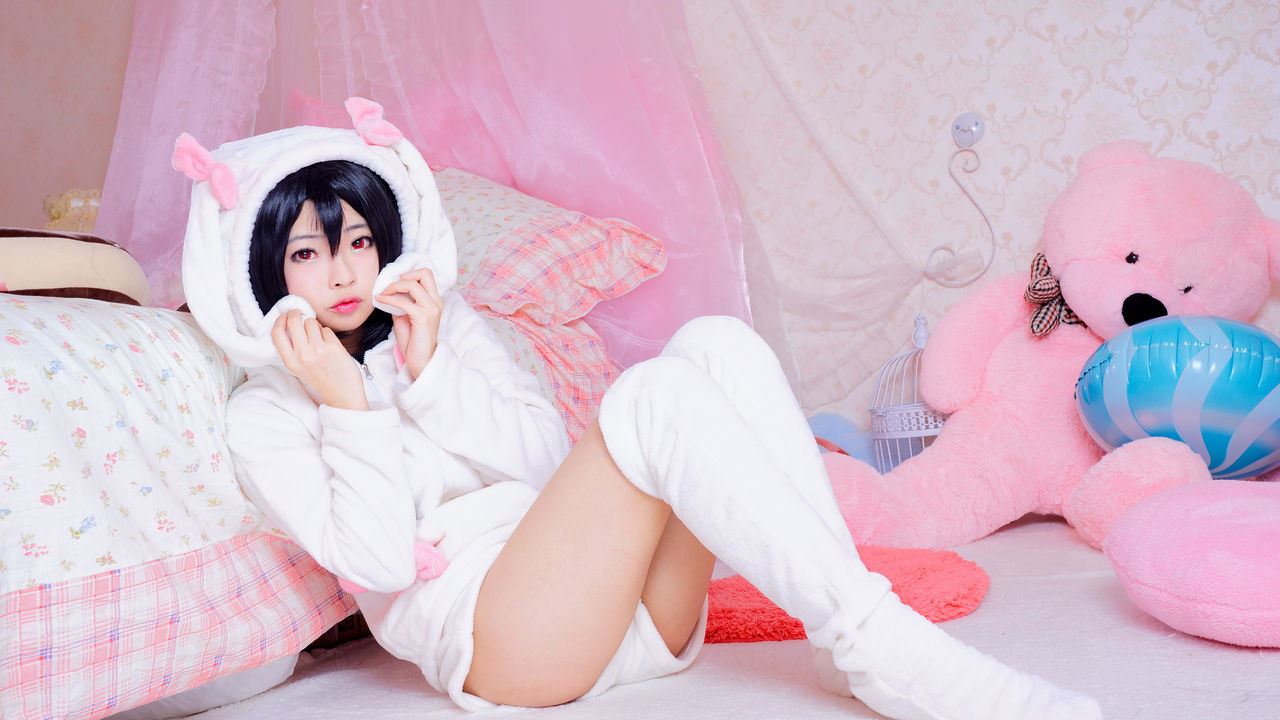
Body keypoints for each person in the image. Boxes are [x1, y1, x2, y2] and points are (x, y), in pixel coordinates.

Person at [175, 99, 1102, 720]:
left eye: (358, 242)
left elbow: (545, 465)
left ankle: (844, 641)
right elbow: (376, 564)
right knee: (650, 394)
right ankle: (878, 641)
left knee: (716, 343)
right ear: (262, 272)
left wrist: (429, 375)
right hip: (510, 650)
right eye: (306, 254)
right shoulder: (266, 416)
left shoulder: (444, 330)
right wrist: (351, 410)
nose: (342, 273)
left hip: (634, 617)